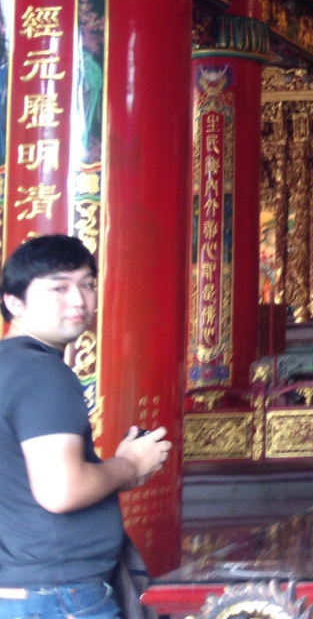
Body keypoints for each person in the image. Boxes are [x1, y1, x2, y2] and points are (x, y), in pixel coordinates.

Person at [0, 235, 171, 619]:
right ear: (14, 303)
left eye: (88, 284)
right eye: (59, 288)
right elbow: (61, 490)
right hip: (58, 597)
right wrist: (130, 465)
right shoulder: (42, 373)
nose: (79, 300)